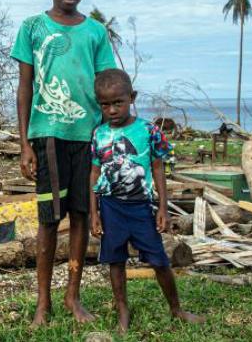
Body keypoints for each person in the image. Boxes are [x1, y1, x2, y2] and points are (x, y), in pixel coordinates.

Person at [11, 0, 116, 327]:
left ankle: (73, 295)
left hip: (88, 139)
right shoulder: (33, 28)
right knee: (48, 221)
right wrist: (24, 143)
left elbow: (107, 87)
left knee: (82, 217)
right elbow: (24, 87)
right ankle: (43, 303)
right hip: (48, 137)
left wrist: (113, 136)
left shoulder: (96, 32)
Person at [89, 68, 204, 333]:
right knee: (115, 261)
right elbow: (94, 173)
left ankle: (176, 309)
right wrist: (94, 213)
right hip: (110, 207)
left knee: (159, 260)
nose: (113, 110)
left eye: (118, 102)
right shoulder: (99, 134)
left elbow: (158, 169)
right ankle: (123, 313)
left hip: (142, 207)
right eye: (105, 105)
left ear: (132, 97)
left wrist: (163, 207)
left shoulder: (149, 131)